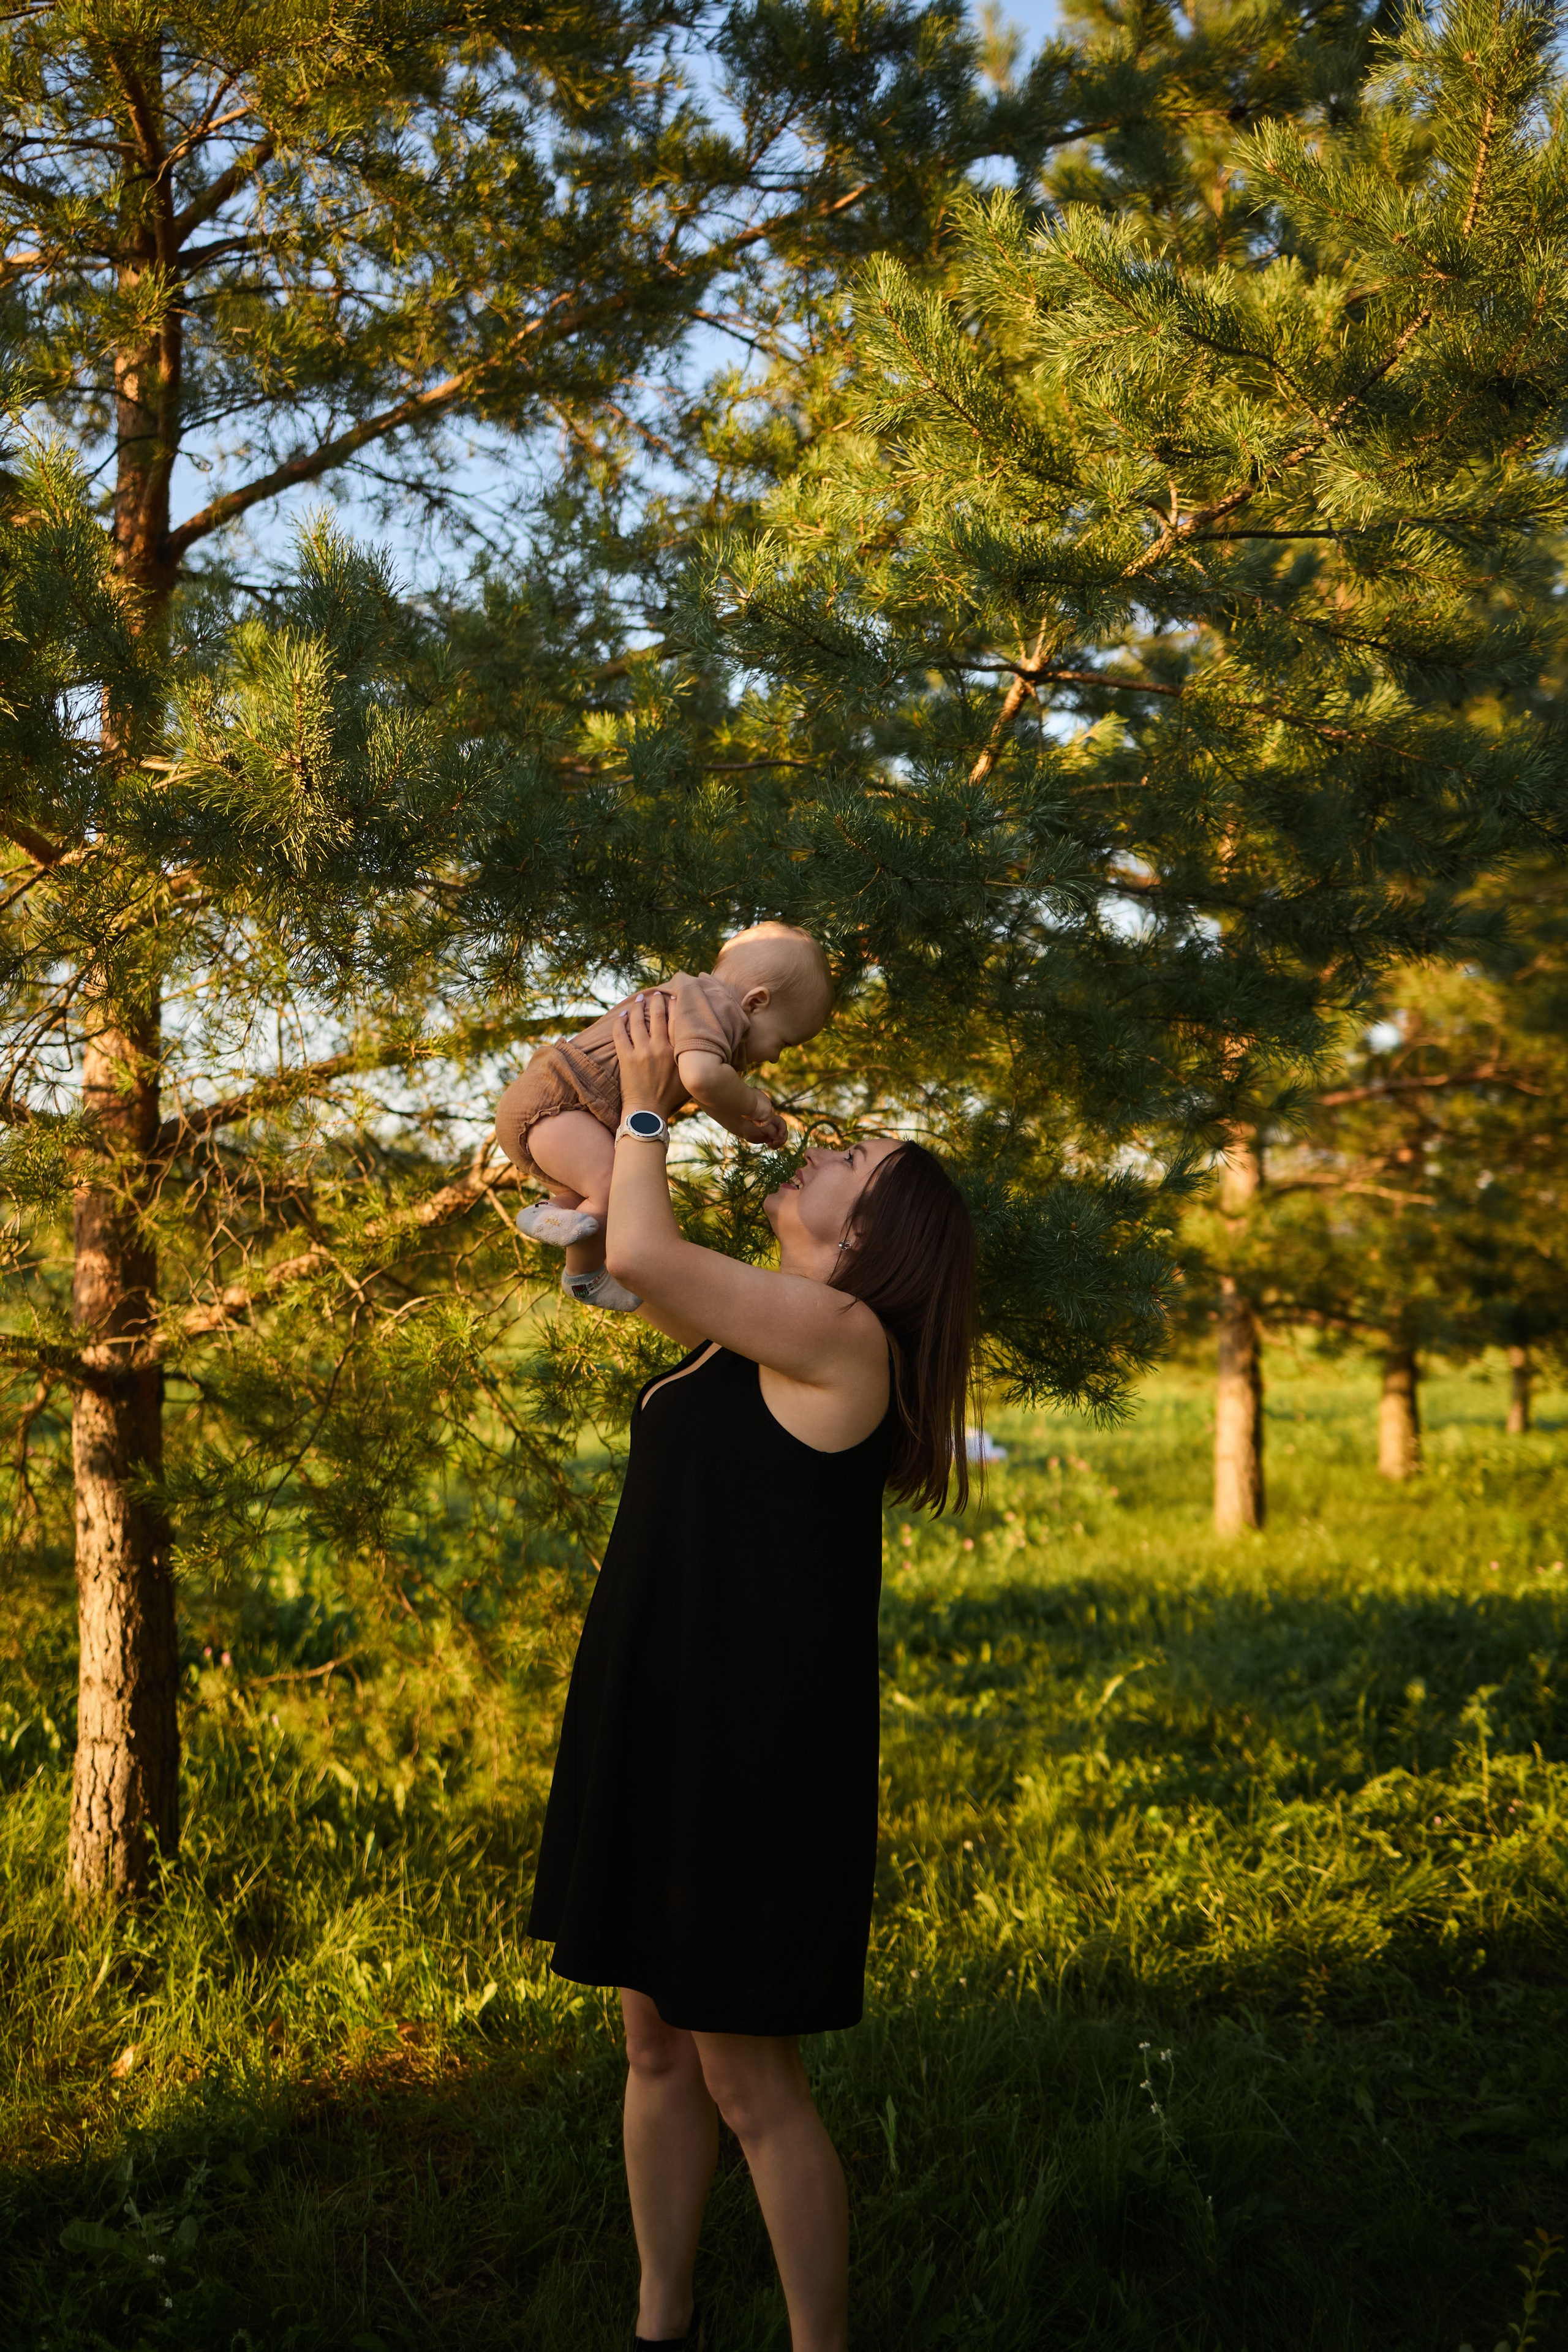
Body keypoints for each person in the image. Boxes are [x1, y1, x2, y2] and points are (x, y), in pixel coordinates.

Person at [526, 987, 978, 2352]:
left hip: (744, 1753)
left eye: (854, 1166)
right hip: (658, 1710)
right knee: (653, 2047)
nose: (825, 1150)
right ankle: (659, 2323)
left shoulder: (843, 1344)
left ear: (866, 1241)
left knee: (748, 2083)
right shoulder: (758, 1321)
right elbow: (552, 1143)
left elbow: (648, 1248)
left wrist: (662, 1103)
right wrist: (610, 1064)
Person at [493, 922, 834, 1311]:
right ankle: (583, 1278)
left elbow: (703, 1090)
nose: (775, 1057)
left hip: (566, 1108)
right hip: (561, 1101)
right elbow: (702, 1079)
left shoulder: (694, 1007)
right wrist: (755, 1104)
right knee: (615, 1191)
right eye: (785, 1042)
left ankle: (554, 1211)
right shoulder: (716, 1006)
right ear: (756, 1002)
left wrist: (742, 1125)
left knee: (601, 1189)